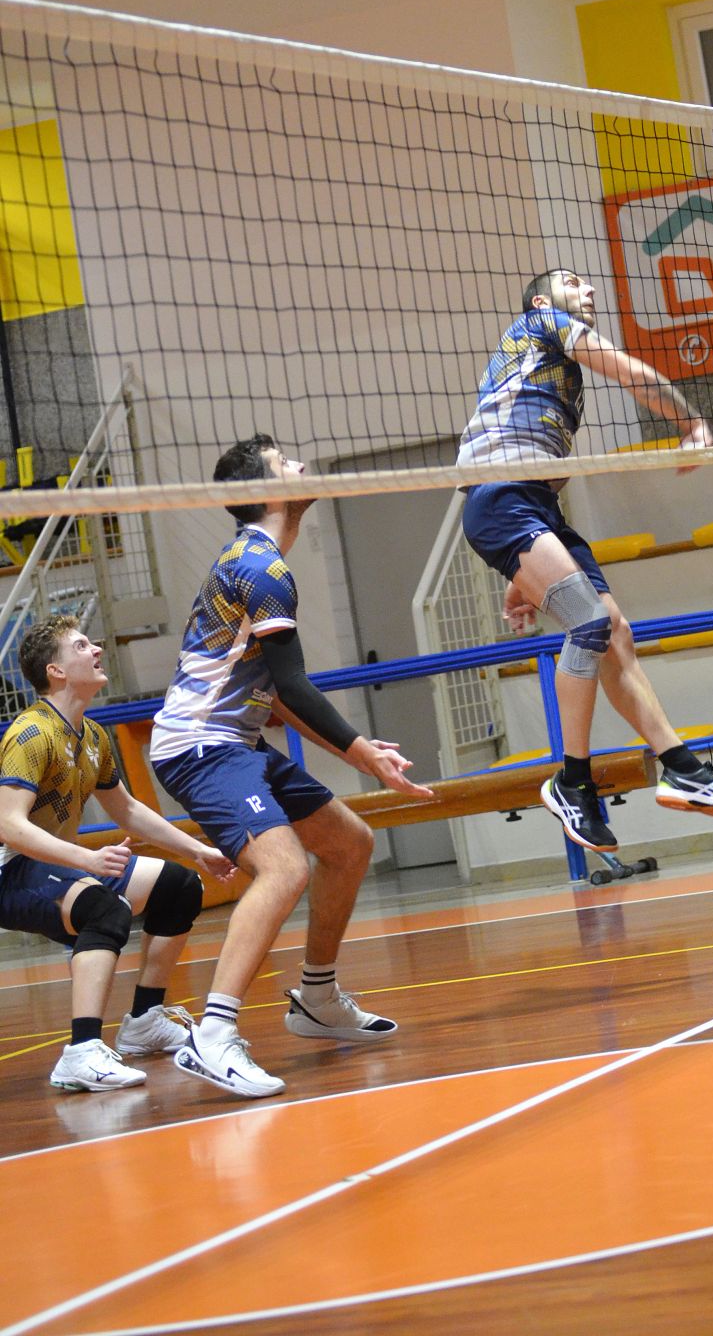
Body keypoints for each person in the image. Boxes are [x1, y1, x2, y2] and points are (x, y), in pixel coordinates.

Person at [149, 435, 432, 1099]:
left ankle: (317, 998)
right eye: (287, 464)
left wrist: (358, 751)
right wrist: (363, 753)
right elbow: (297, 685)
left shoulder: (258, 562)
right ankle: (213, 1035)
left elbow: (276, 692)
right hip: (200, 745)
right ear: (268, 492)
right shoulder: (261, 568)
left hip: (235, 740)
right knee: (284, 869)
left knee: (349, 843)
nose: (303, 467)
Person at [459, 270, 713, 853]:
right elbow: (629, 373)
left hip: (534, 504)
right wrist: (693, 423)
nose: (590, 290)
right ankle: (572, 782)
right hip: (501, 499)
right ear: (543, 300)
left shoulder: (552, 375)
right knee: (590, 624)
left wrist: (524, 576)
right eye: (574, 282)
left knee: (615, 633)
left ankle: (681, 768)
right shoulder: (543, 322)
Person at [0, 615, 234, 1093]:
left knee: (179, 886)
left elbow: (126, 809)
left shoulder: (91, 735)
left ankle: (145, 1021)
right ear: (55, 671)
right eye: (81, 645)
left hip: (53, 865)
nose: (97, 649)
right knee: (105, 910)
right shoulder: (30, 734)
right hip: (10, 870)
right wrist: (86, 861)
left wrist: (198, 851)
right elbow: (9, 826)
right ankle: (81, 1052)